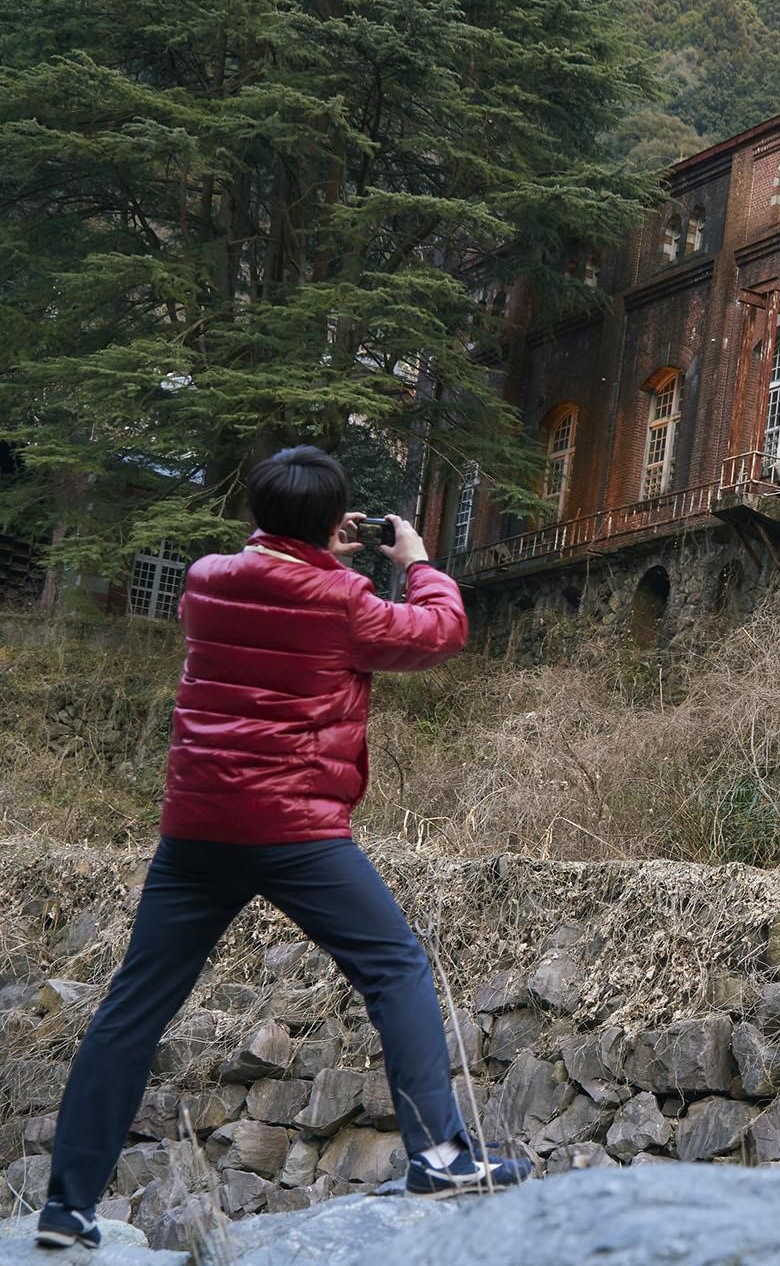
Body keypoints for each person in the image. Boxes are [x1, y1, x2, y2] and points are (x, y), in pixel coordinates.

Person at [34, 448, 531, 1251]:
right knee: (394, 966)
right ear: (333, 522)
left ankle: (67, 1207)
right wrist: (417, 561)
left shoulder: (205, 579)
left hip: (195, 830)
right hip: (296, 830)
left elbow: (267, 580)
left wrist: (303, 542)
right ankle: (438, 1155)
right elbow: (442, 632)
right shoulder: (345, 598)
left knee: (134, 1009)